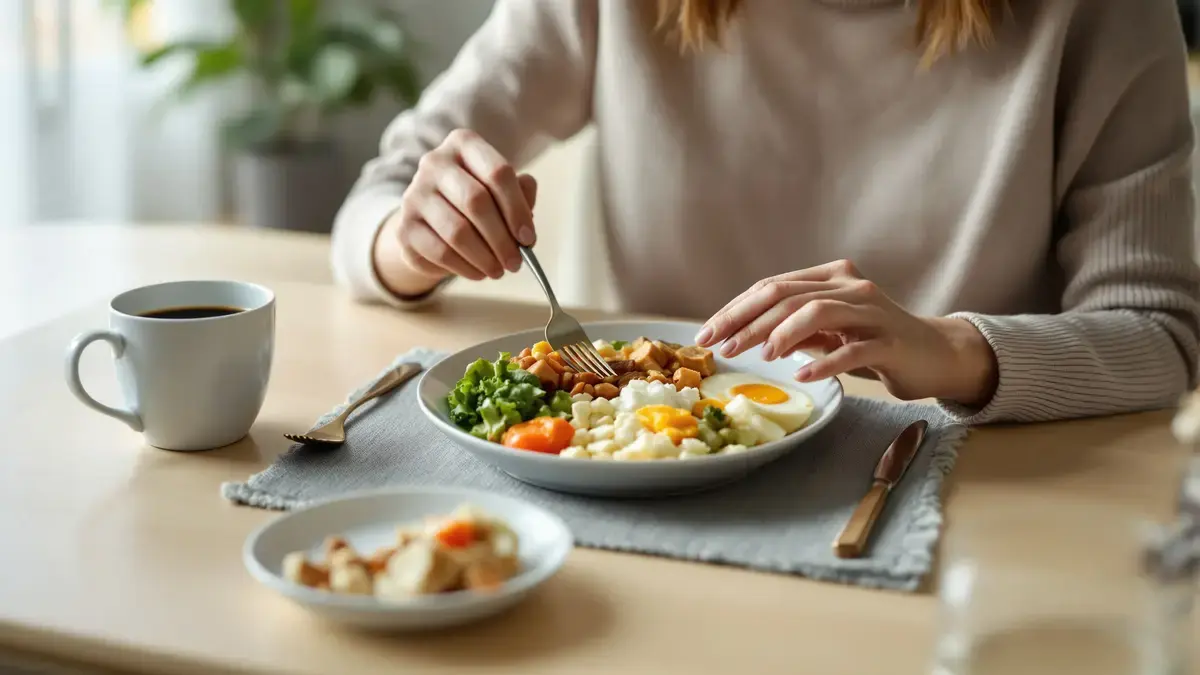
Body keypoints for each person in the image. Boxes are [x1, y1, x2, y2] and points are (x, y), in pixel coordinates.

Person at [331, 0, 1200, 424]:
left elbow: (1162, 336)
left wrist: (948, 348)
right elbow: (380, 196)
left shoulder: (1102, 13)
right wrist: (412, 238)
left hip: (960, 491)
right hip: (653, 493)